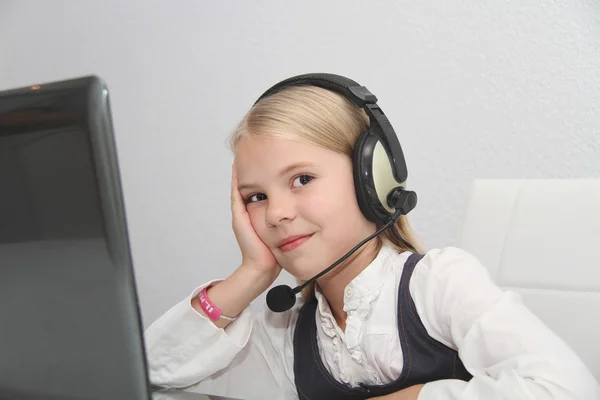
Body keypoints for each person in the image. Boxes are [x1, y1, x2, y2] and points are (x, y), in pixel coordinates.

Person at [144, 74, 599, 400]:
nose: (277, 213)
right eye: (256, 196)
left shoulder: (438, 283)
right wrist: (252, 272)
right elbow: (153, 374)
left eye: (302, 179)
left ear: (373, 179)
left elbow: (565, 389)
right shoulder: (286, 329)